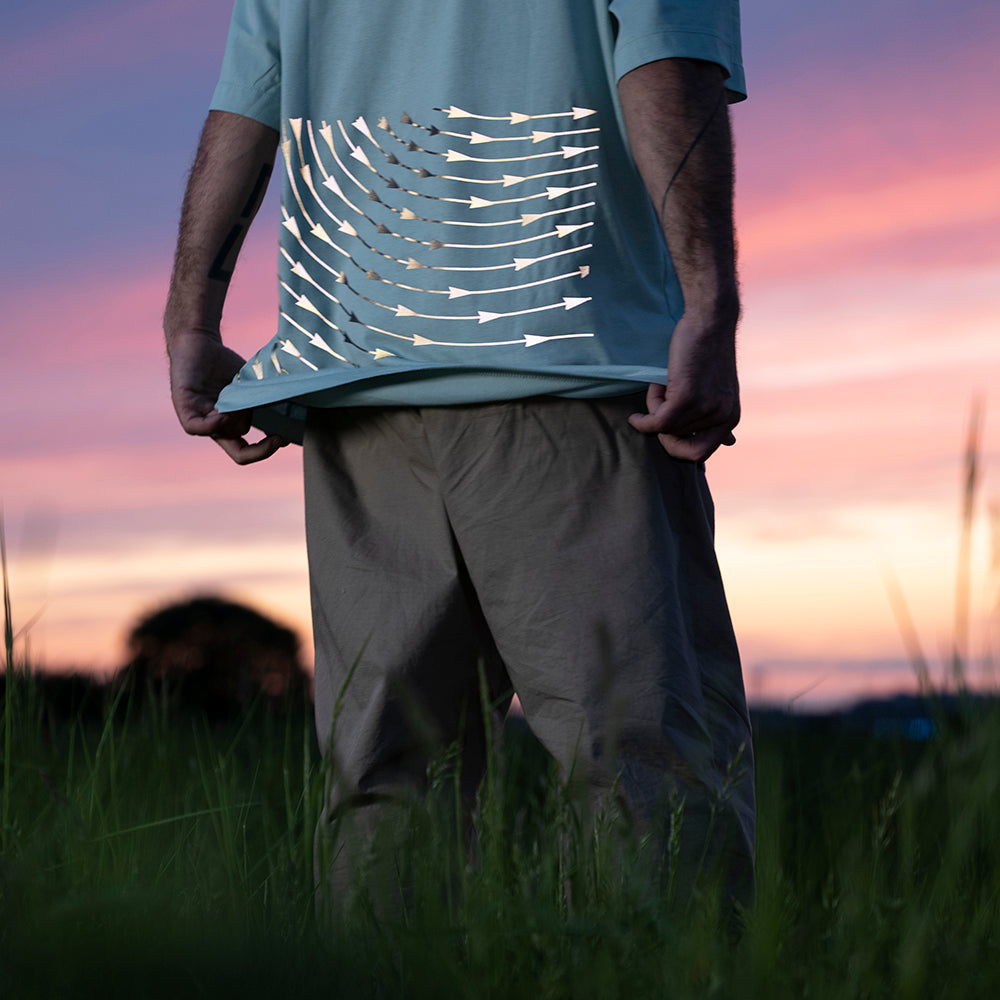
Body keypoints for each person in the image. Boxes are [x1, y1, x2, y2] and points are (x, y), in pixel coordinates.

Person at [165, 0, 755, 905]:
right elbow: (668, 62)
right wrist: (710, 303)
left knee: (384, 784)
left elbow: (249, 101)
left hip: (358, 385)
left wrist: (190, 320)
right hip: (569, 374)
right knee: (646, 772)